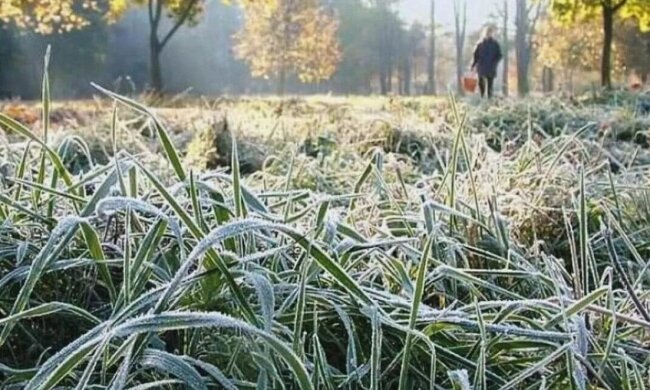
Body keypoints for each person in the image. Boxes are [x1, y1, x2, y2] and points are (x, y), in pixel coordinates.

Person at [471, 26, 503, 99]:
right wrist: (473, 65)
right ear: (484, 33)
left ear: (492, 34)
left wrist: (495, 62)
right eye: (487, 33)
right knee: (481, 82)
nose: (488, 34)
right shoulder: (480, 44)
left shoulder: (495, 44)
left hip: (491, 66)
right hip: (481, 66)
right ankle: (482, 96)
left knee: (490, 84)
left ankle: (489, 98)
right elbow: (476, 55)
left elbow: (499, 55)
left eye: (490, 33)